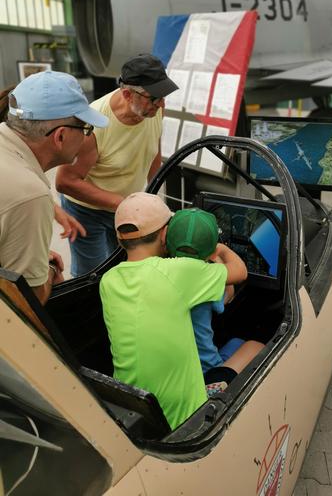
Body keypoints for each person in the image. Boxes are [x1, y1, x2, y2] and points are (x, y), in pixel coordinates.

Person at [99, 192, 247, 430]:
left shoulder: (108, 281)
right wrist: (218, 248)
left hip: (135, 410)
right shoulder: (179, 272)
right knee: (254, 347)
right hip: (186, 416)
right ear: (165, 234)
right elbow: (240, 271)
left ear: (118, 237)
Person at [56, 53, 178, 277]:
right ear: (128, 94)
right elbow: (65, 181)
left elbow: (153, 154)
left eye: (163, 97)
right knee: (92, 276)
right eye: (154, 98)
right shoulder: (95, 125)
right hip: (87, 212)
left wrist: (152, 199)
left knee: (128, 270)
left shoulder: (155, 110)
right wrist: (122, 203)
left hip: (127, 206)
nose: (161, 104)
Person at [0, 71, 108, 305]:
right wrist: (47, 269)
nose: (86, 138)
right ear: (60, 136)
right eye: (86, 129)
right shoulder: (29, 194)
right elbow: (28, 301)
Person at [166, 208, 264, 386]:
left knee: (236, 341)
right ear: (211, 251)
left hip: (173, 371)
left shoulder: (156, 272)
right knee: (256, 345)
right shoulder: (205, 281)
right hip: (205, 372)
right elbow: (229, 294)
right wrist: (219, 254)